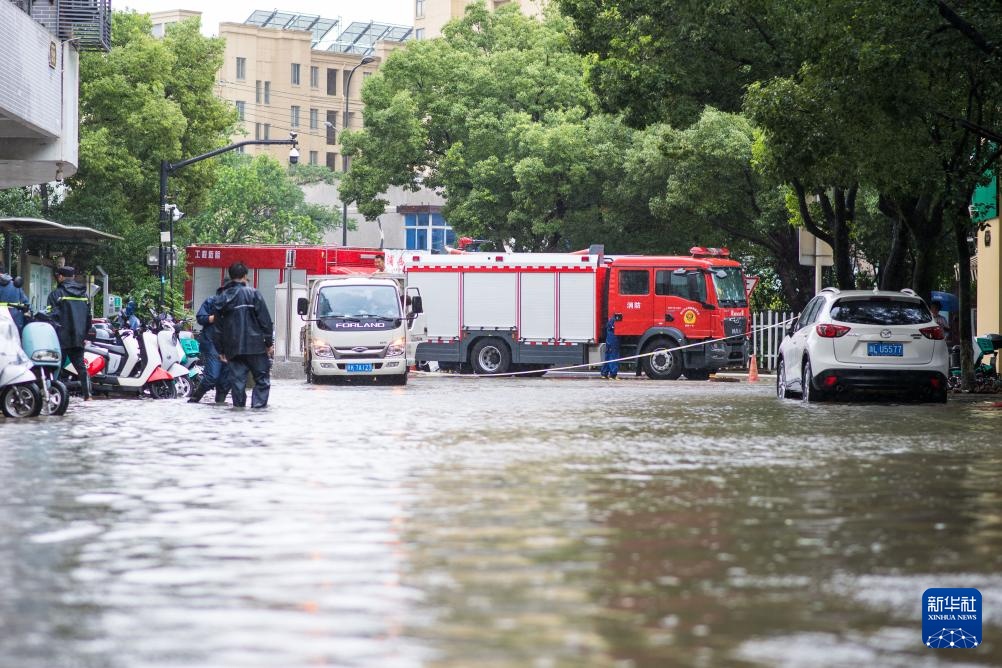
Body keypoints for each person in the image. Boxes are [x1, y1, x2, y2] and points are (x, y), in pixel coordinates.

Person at [213, 262, 274, 408]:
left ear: (230, 276)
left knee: (238, 383)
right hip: (256, 347)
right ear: (245, 276)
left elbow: (217, 327)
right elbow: (265, 320)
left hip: (233, 348)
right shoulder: (254, 294)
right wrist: (268, 343)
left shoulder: (221, 298)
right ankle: (257, 411)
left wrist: (220, 350)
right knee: (262, 380)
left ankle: (239, 410)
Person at [47, 266, 91, 401]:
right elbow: (88, 318)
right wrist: (84, 335)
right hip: (78, 337)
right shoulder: (84, 295)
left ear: (60, 277)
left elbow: (50, 317)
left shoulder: (56, 295)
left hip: (61, 338)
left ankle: (53, 396)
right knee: (81, 368)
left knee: (56, 368)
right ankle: (87, 396)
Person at [187, 287, 231, 404]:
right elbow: (200, 318)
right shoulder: (211, 301)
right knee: (212, 376)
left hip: (230, 347)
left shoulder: (237, 305)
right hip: (212, 344)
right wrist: (214, 317)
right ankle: (194, 399)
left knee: (225, 381)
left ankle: (219, 404)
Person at [601, 314, 620, 379]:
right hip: (613, 339)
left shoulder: (611, 319)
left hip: (609, 339)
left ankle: (604, 373)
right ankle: (613, 374)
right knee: (613, 356)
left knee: (608, 356)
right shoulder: (615, 320)